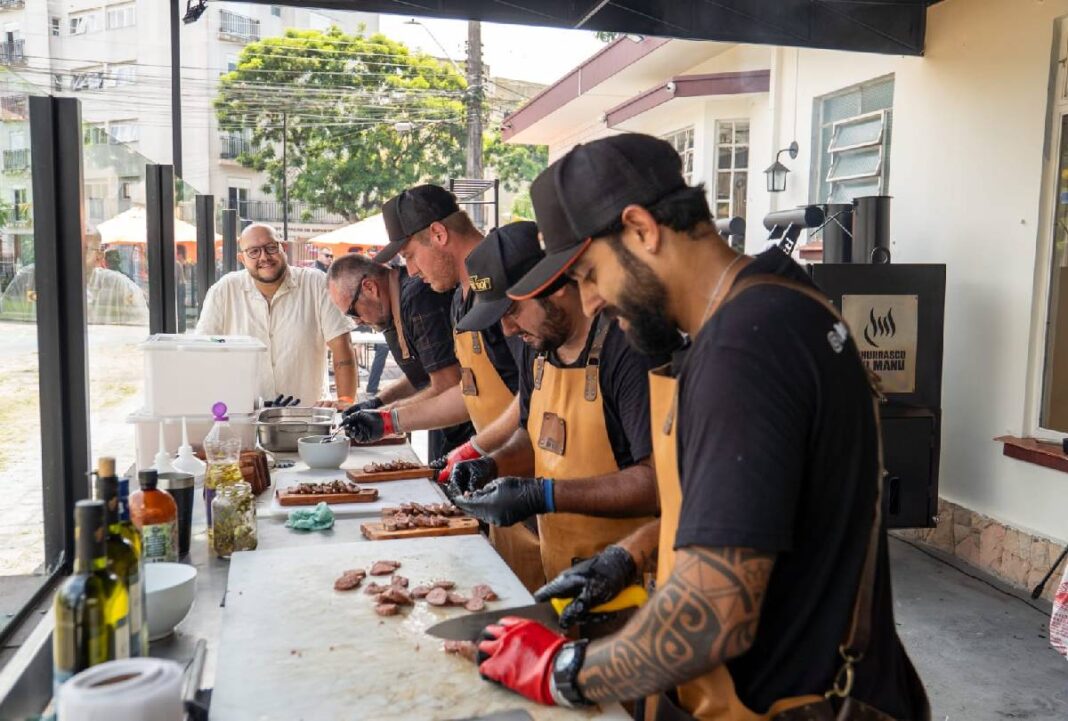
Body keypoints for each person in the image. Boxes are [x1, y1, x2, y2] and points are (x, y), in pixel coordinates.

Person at [472, 134, 929, 720]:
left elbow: (712, 617)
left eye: (589, 273)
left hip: (794, 703)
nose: (587, 302)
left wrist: (562, 671)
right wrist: (631, 554)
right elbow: (760, 504)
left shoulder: (744, 348)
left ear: (640, 228)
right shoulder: (781, 302)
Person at [447, 220, 662, 590]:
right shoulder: (540, 349)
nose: (509, 331)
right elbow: (531, 438)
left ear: (554, 286)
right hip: (559, 571)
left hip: (623, 584)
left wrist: (544, 494)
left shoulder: (626, 350)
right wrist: (491, 464)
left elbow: (655, 483)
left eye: (512, 312)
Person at [342, 185, 522, 469]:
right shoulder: (457, 299)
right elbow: (469, 393)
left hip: (527, 468)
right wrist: (387, 419)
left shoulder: (505, 282)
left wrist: (474, 450)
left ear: (438, 233)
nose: (410, 271)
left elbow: (534, 393)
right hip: (497, 466)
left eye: (410, 255)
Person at [327, 252, 473, 460]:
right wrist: (376, 403)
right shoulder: (389, 307)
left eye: (353, 312)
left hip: (471, 429)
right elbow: (422, 375)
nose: (357, 321)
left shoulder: (416, 298)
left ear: (370, 288)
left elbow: (447, 384)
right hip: (447, 426)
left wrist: (385, 417)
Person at [196, 223, 356, 408]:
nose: (264, 257)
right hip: (242, 414)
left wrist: (345, 404)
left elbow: (342, 346)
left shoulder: (316, 284)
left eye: (271, 248)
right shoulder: (224, 290)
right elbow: (203, 351)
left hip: (308, 416)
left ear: (284, 248)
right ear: (242, 258)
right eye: (254, 251)